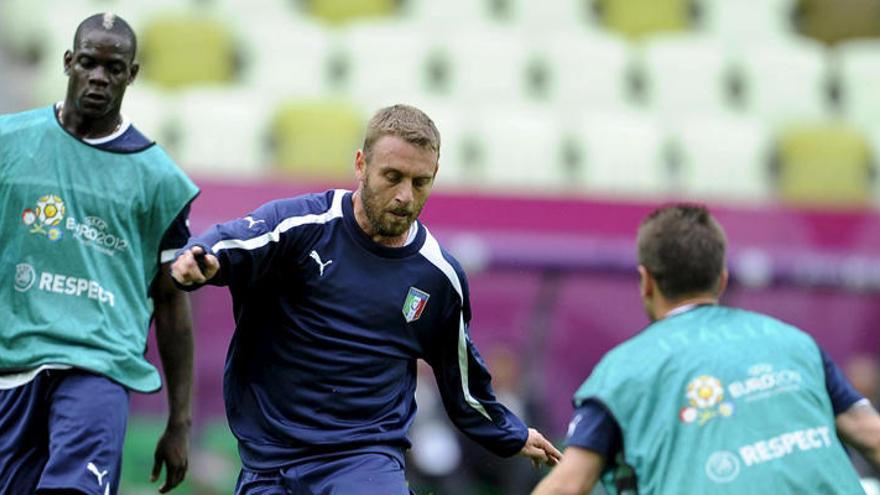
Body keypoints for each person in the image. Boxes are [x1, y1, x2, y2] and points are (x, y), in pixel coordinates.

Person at [170, 104, 562, 494]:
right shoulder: (301, 227)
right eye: (392, 176)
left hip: (364, 459)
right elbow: (231, 241)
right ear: (361, 165)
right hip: (270, 461)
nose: (405, 196)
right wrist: (202, 260)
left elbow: (462, 382)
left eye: (419, 182)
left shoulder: (439, 278)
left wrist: (510, 432)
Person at [532, 204, 880, 495]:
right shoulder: (795, 342)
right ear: (722, 278)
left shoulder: (620, 370)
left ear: (646, 281)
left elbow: (568, 485)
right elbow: (870, 433)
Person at [0, 13, 199, 494]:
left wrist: (179, 422)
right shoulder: (8, 142)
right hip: (12, 369)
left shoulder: (160, 181)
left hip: (98, 369)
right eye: (88, 63)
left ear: (132, 74)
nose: (98, 78)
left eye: (114, 68)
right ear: (68, 62)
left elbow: (171, 302)